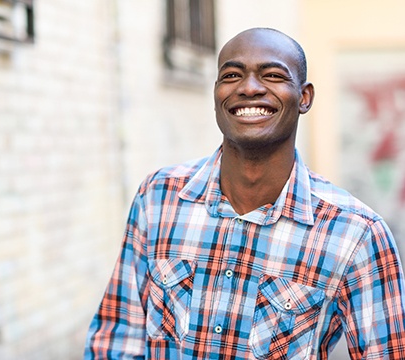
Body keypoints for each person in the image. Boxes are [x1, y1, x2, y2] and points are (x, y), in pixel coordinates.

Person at [84, 28, 405, 359]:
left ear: (304, 97)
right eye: (233, 75)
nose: (249, 88)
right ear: (216, 93)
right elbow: (118, 339)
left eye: (272, 75)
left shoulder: (356, 233)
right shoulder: (158, 197)